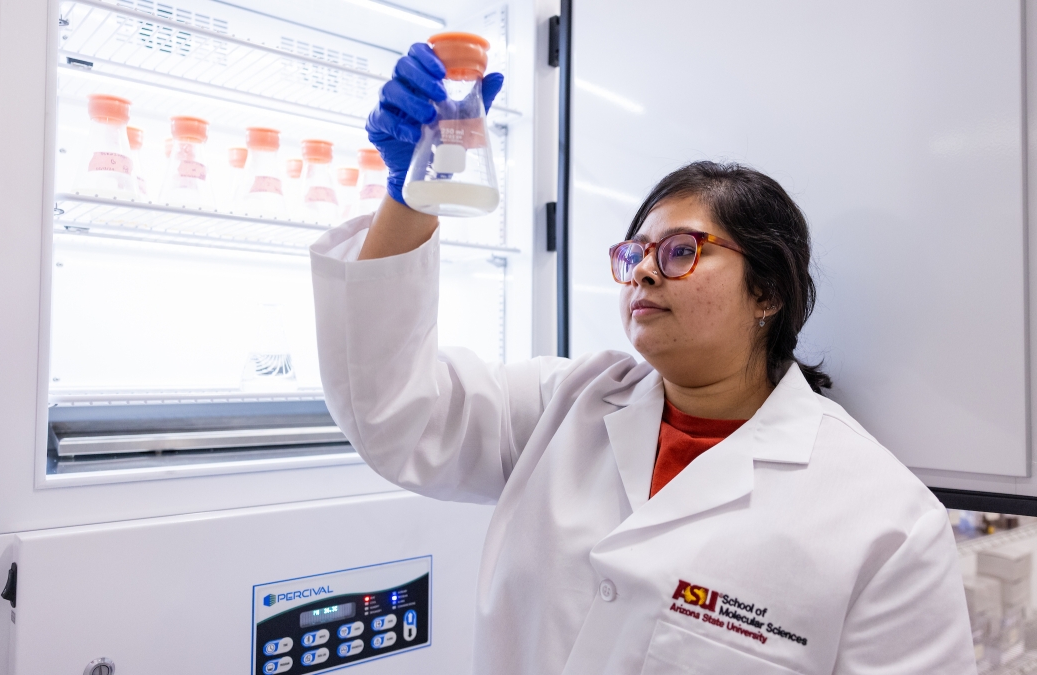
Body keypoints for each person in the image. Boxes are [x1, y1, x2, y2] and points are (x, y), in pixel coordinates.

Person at [311, 43, 976, 675]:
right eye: (634, 255)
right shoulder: (564, 404)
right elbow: (392, 412)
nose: (644, 274)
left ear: (768, 290)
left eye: (681, 250)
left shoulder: (886, 524)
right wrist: (409, 197)